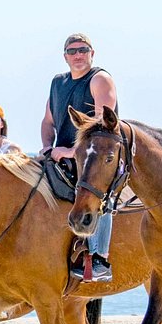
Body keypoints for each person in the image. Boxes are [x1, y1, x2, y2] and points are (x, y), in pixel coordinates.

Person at [40, 33, 118, 282]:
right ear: (65, 56)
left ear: (92, 53)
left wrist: (71, 152)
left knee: (99, 193)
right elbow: (48, 121)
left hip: (96, 157)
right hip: (61, 156)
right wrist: (46, 146)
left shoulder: (99, 79)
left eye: (83, 50)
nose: (78, 55)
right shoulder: (57, 83)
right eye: (72, 51)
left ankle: (99, 259)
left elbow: (100, 127)